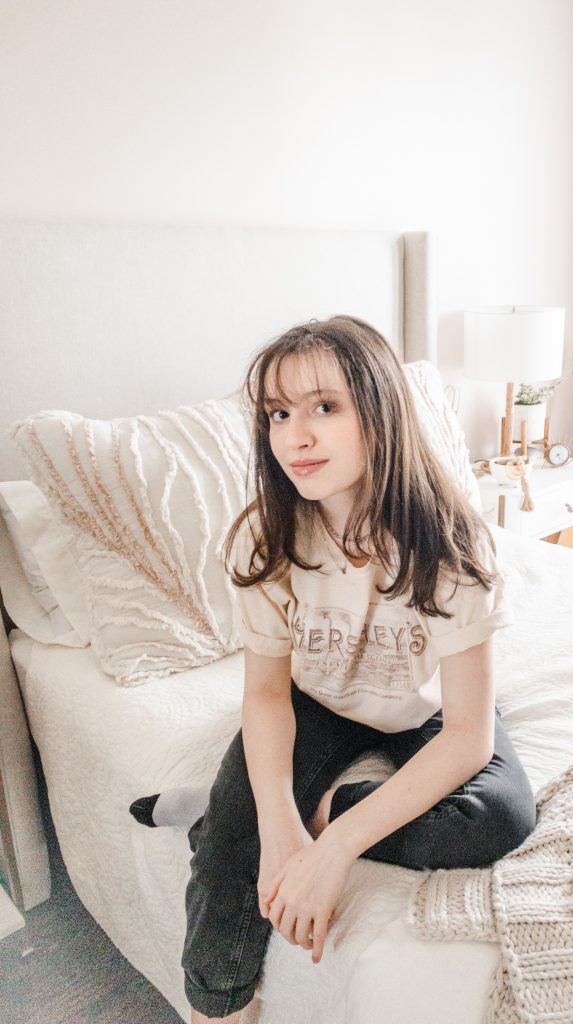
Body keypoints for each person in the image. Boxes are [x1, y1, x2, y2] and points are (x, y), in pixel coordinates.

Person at [129, 315, 537, 1023]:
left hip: (427, 712)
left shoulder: (447, 542)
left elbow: (468, 735)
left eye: (325, 407)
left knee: (496, 817)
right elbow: (263, 694)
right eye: (278, 414)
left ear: (378, 412)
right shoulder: (268, 536)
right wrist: (273, 822)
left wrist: (329, 845)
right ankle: (228, 820)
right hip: (312, 704)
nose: (295, 435)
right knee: (230, 862)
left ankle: (308, 807)